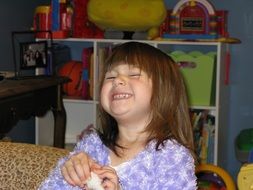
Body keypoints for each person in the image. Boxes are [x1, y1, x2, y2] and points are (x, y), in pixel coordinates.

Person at [39, 41, 197, 190]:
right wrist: (67, 170)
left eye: (134, 74)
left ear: (164, 91)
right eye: (111, 77)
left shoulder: (172, 158)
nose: (118, 81)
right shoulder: (91, 146)